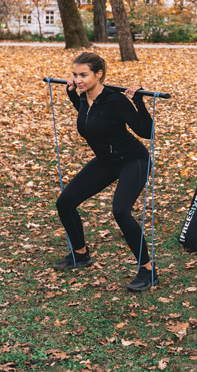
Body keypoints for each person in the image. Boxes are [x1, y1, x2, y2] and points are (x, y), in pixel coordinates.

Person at [53, 52, 158, 292]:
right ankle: (80, 254)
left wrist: (138, 101)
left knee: (120, 211)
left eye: (83, 75)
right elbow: (88, 117)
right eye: (75, 75)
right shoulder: (83, 99)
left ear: (98, 74)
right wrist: (71, 93)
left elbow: (147, 132)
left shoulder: (115, 100)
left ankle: (148, 270)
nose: (78, 80)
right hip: (106, 161)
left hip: (133, 160)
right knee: (65, 203)